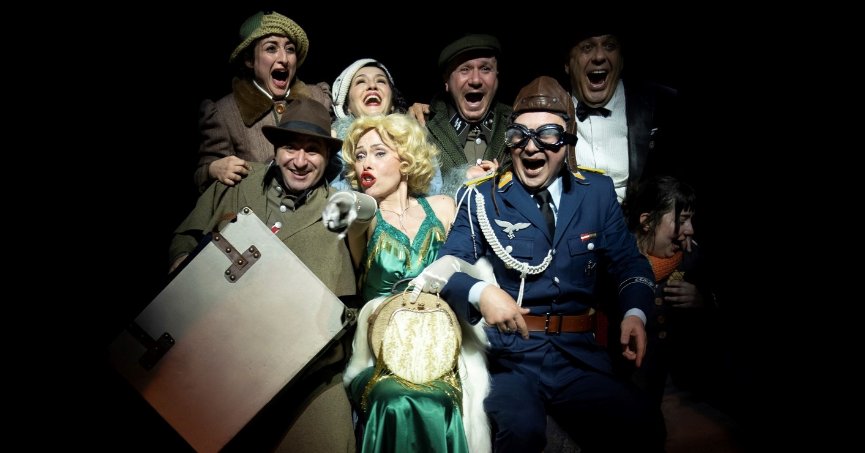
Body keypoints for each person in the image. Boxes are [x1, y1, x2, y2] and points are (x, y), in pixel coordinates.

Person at [431, 76, 660, 453]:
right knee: (520, 431)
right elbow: (445, 270)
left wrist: (635, 313)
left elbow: (629, 265)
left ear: (567, 141)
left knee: (642, 422)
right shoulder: (483, 197)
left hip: (577, 356)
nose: (531, 146)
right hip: (511, 358)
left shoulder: (596, 193)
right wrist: (481, 292)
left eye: (548, 135)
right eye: (520, 135)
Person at [170, 98, 358, 452]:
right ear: (275, 148)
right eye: (290, 148)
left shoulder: (342, 210)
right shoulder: (238, 182)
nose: (299, 161)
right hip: (220, 353)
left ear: (327, 156)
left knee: (330, 441)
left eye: (312, 150)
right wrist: (183, 265)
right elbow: (186, 236)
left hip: (306, 373)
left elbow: (352, 301)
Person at [321, 113, 491, 452]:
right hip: (381, 350)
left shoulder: (442, 207)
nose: (367, 162)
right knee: (396, 399)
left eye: (379, 152)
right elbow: (349, 211)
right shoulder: (365, 220)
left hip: (441, 341)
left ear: (406, 159)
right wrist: (346, 200)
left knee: (441, 399)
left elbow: (470, 265)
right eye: (360, 155)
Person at [620, 175, 719, 443]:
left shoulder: (691, 259)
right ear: (647, 221)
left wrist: (703, 301)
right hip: (623, 387)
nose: (690, 230)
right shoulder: (618, 261)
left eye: (691, 220)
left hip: (675, 391)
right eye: (681, 220)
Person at [194, 10, 335, 194]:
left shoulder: (318, 98)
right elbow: (202, 178)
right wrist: (212, 170)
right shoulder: (224, 114)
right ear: (249, 59)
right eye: (271, 48)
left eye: (290, 49)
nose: (284, 59)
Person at [563, 26, 682, 204]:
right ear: (567, 64)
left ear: (621, 60)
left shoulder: (663, 105)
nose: (599, 57)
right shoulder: (547, 109)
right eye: (587, 47)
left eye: (610, 46)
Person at [417, 34, 513, 196]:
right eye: (465, 69)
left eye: (485, 69)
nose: (475, 80)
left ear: (497, 76)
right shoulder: (422, 127)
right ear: (446, 80)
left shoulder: (516, 124)